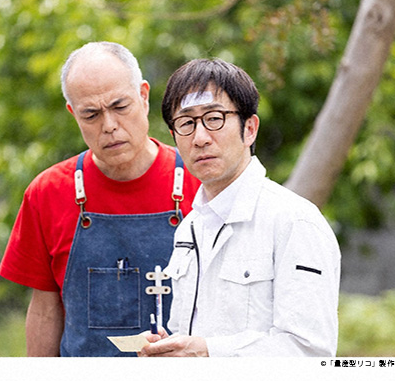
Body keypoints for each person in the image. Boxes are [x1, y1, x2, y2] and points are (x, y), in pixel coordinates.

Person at [0, 42, 200, 357]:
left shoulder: (200, 184)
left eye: (120, 106)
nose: (109, 126)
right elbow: (45, 310)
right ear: (73, 114)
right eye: (91, 114)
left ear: (144, 96)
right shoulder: (48, 193)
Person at [139, 58, 341, 357]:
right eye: (186, 123)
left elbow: (310, 352)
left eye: (214, 119)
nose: (200, 138)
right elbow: (196, 337)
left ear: (250, 129)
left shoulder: (295, 221)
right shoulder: (189, 227)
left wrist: (208, 352)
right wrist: (169, 349)